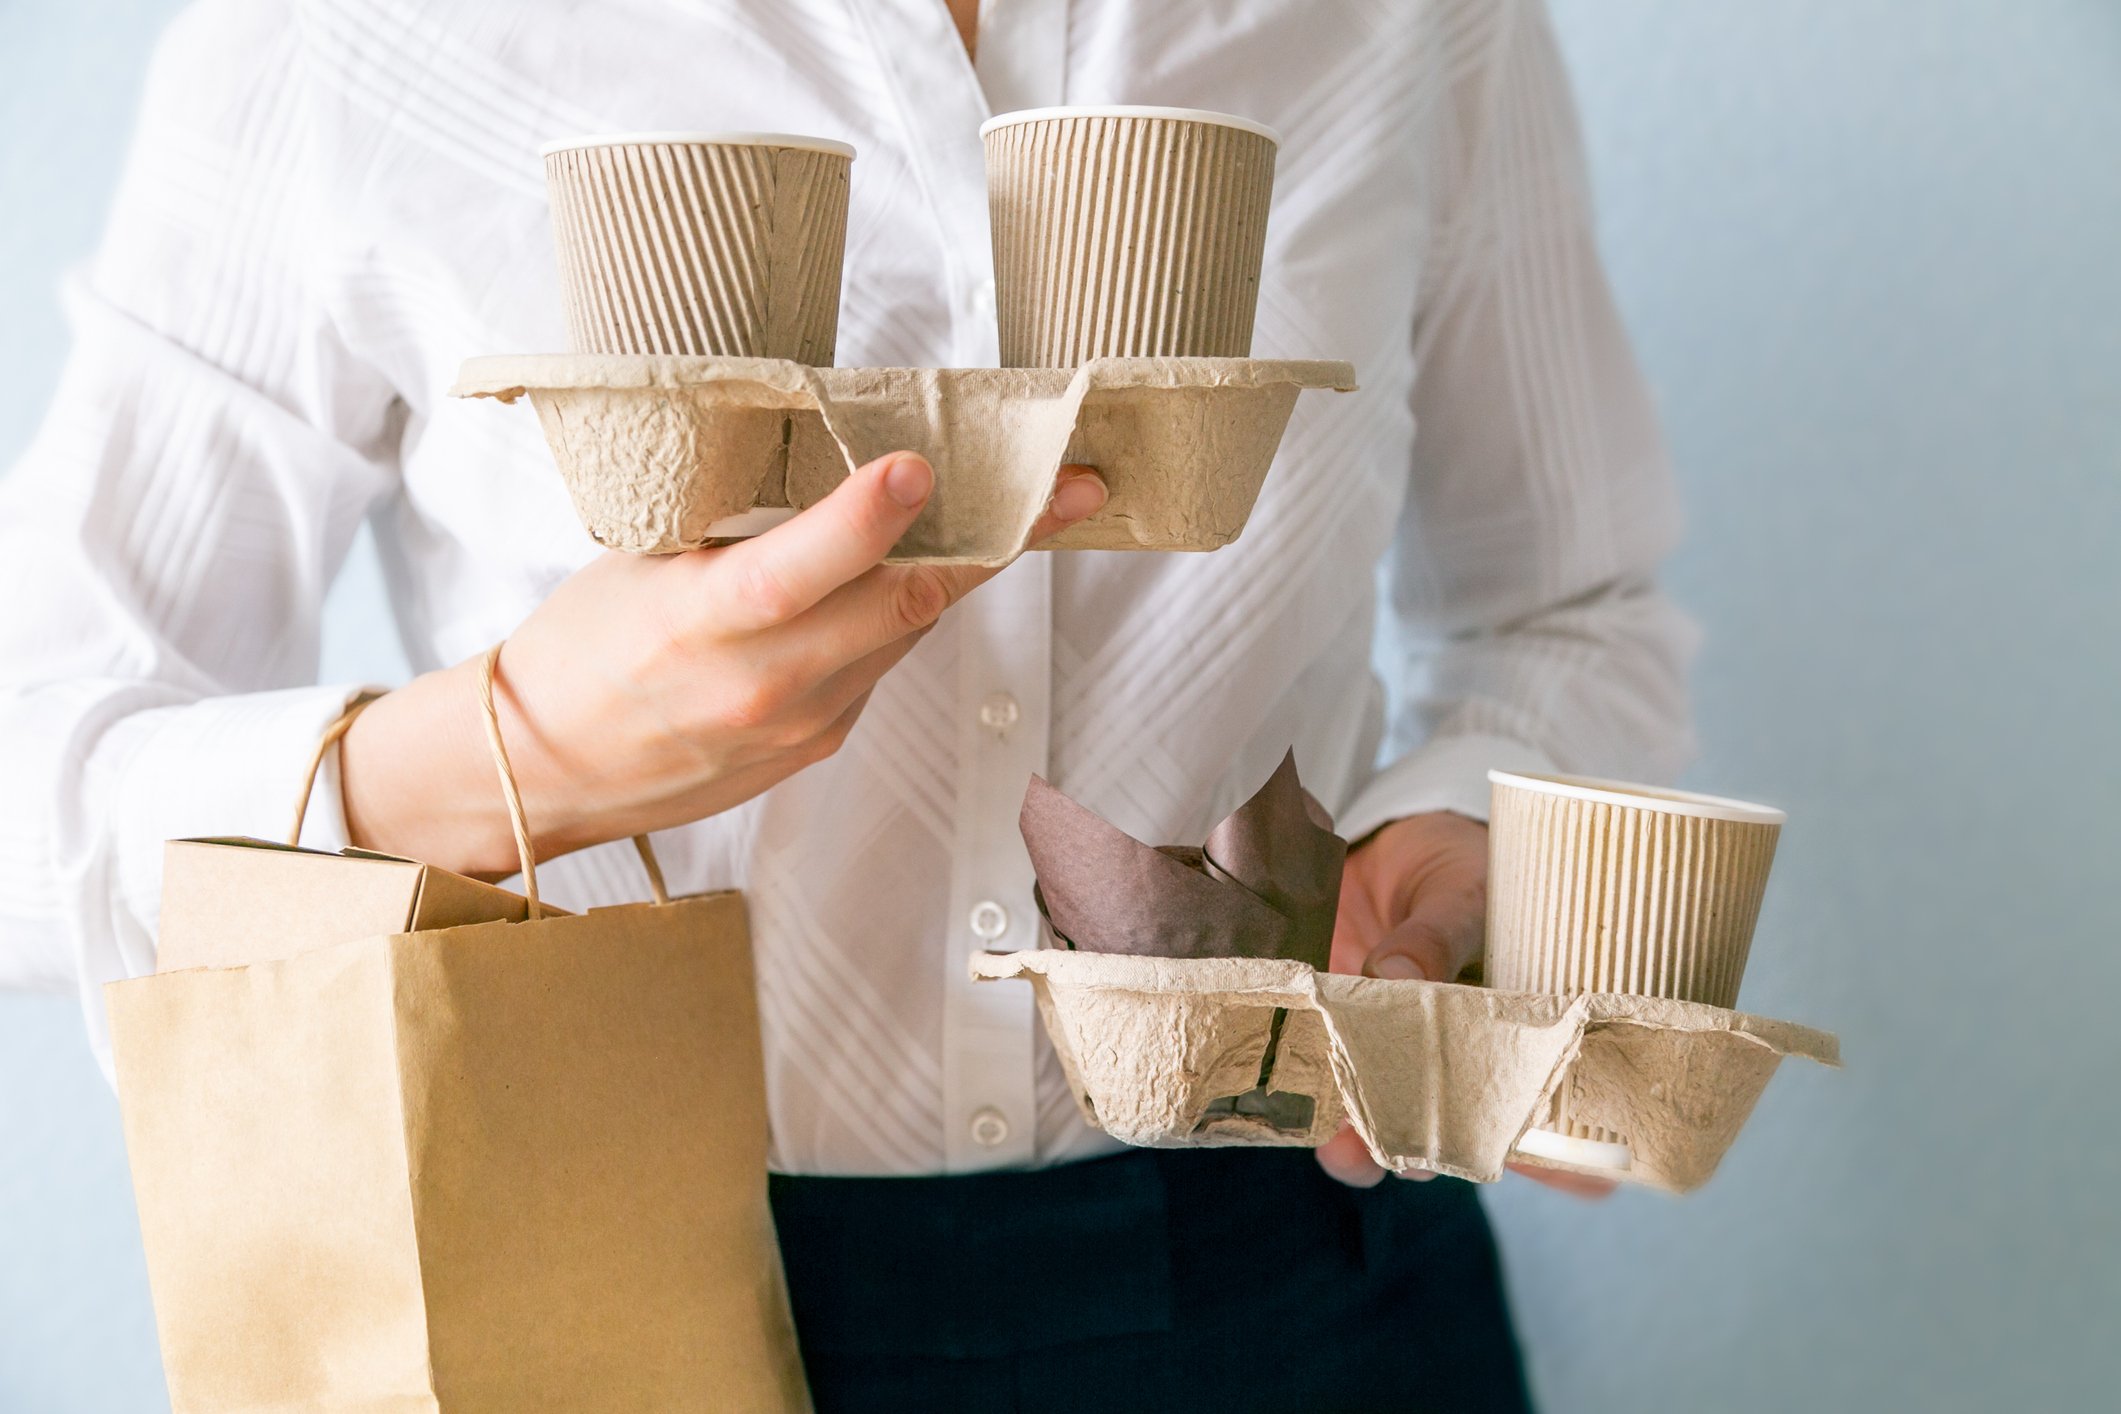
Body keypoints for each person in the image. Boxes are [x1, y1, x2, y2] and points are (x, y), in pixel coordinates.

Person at [0, 0, 1693, 1408]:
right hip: (596, 1314)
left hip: (1305, 1291)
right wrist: (509, 749)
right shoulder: (343, 32)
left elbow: (1567, 606)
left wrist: (1469, 836)